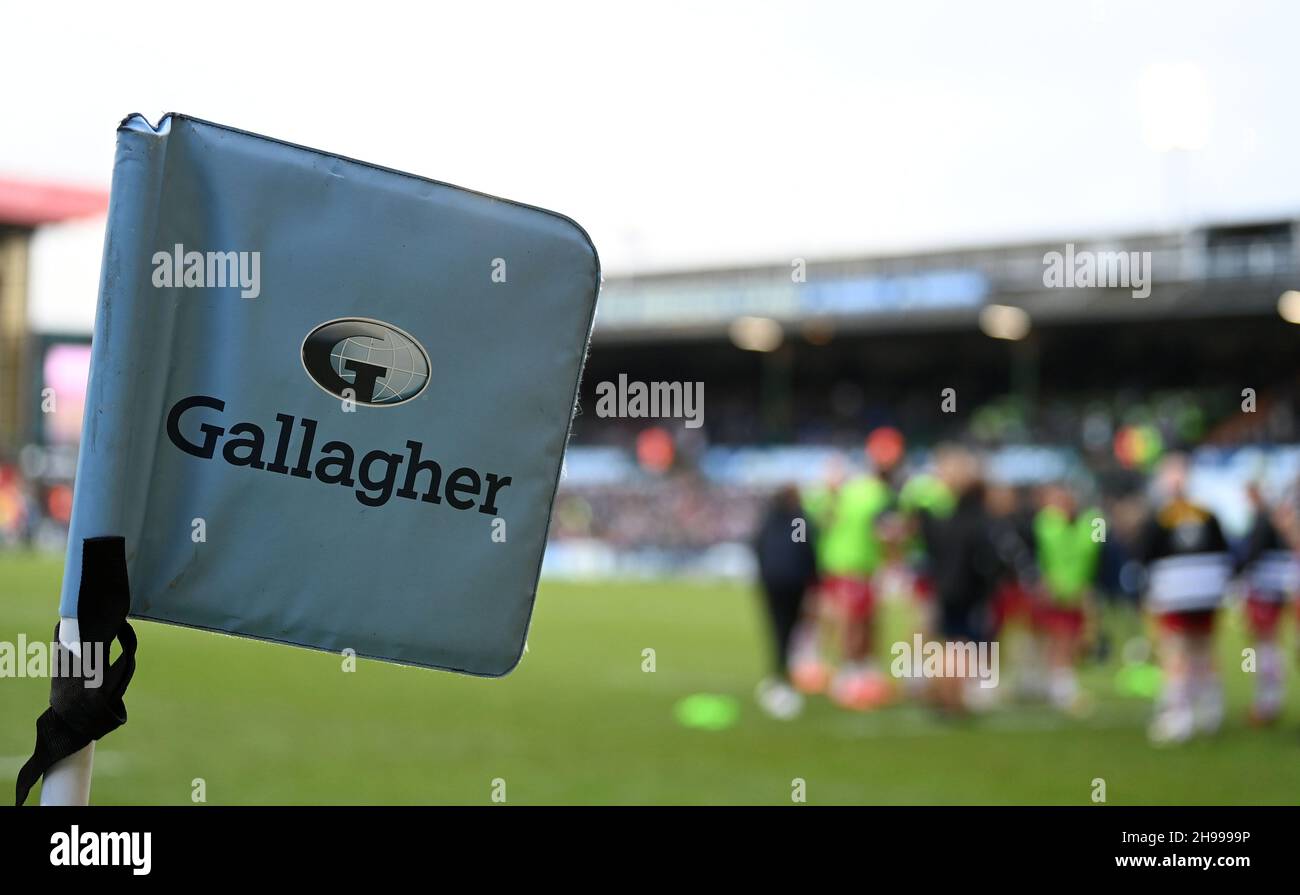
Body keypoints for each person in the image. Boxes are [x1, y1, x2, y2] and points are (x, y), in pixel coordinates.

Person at [1135, 453, 1232, 745]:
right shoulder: (1207, 514)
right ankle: (1208, 710)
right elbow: (1224, 554)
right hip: (1204, 595)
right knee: (1201, 650)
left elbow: (1145, 558)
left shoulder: (1162, 517)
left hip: (1177, 597)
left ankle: (1180, 716)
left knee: (1177, 653)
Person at [799, 451, 893, 709]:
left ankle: (857, 670)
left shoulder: (871, 493)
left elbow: (886, 531)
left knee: (861, 621)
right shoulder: (831, 495)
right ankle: (847, 672)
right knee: (847, 621)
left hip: (860, 568)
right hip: (843, 568)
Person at [917, 445, 999, 713]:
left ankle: (944, 693)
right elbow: (983, 560)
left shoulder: (944, 516)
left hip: (947, 586)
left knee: (952, 642)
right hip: (965, 589)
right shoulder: (972, 518)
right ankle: (951, 695)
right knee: (961, 644)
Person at [1030, 482, 1103, 715]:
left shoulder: (1090, 522)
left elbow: (1098, 545)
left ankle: (1059, 683)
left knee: (1076, 640)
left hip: (1079, 591)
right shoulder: (1047, 524)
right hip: (1056, 593)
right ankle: (1059, 687)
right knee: (1059, 639)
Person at [752, 484, 819, 720]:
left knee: (778, 627)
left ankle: (779, 673)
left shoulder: (768, 519)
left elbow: (757, 546)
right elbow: (803, 547)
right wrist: (813, 576)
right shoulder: (797, 520)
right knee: (791, 628)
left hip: (772, 580)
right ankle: (785, 673)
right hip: (793, 581)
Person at [1236, 481, 1300, 726]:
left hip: (1266, 588)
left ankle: (1267, 701)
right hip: (1278, 586)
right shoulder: (1267, 518)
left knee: (1263, 644)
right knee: (1263, 644)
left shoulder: (1264, 520)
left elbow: (1251, 556)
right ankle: (1266, 698)